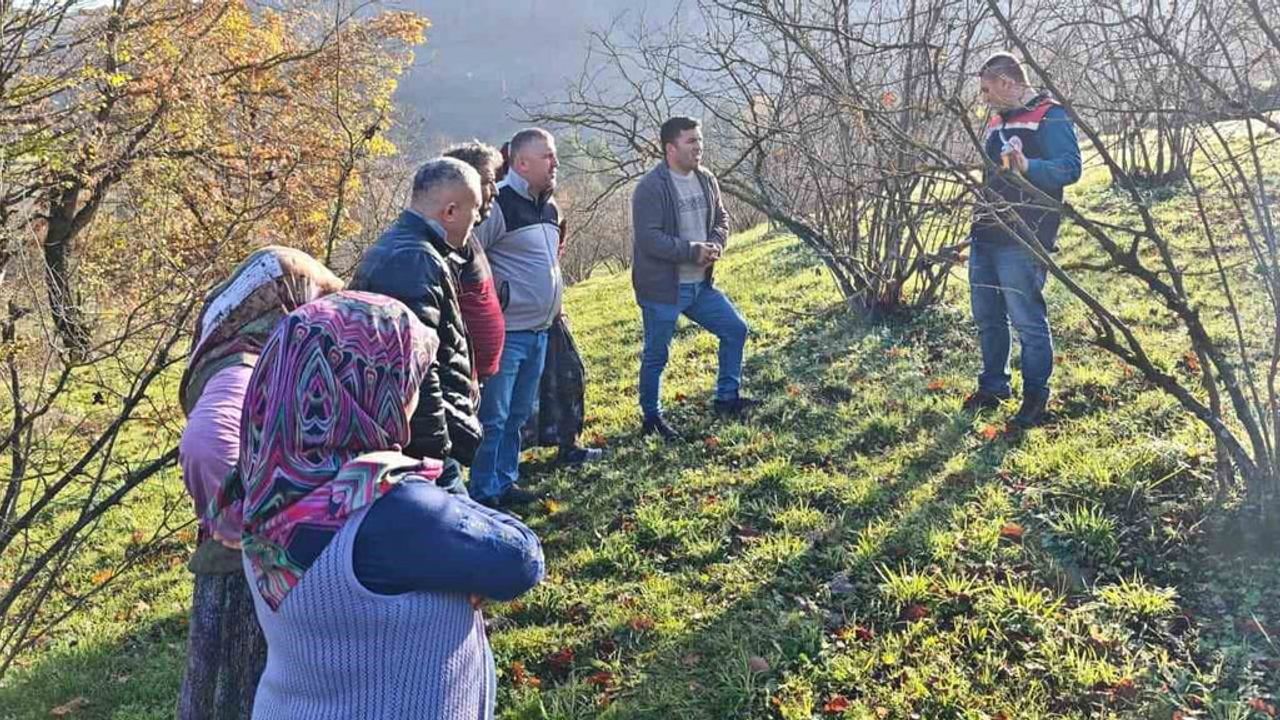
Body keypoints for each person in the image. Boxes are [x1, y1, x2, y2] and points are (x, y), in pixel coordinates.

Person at [229, 291, 544, 719]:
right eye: (408, 379)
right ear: (368, 387)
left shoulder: (265, 482)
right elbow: (520, 558)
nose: (413, 396)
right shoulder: (386, 508)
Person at [176, 245, 343, 720]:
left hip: (247, 562)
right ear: (286, 302)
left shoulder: (240, 347)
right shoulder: (244, 366)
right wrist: (254, 529)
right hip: (248, 573)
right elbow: (206, 447)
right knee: (241, 691)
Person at [349, 157, 484, 493]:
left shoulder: (409, 247)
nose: (479, 218)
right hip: (423, 453)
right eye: (475, 208)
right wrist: (437, 454)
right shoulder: (414, 260)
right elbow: (417, 371)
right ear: (450, 212)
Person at [963, 52, 1081, 429]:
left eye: (986, 89)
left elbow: (1070, 168)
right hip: (986, 233)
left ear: (1006, 82)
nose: (984, 98)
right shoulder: (998, 121)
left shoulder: (1051, 115)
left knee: (1027, 319)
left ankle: (1035, 397)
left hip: (1025, 236)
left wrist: (1029, 167)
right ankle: (994, 386)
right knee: (987, 315)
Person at [631, 116, 757, 441]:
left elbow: (721, 217)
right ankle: (651, 418)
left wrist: (716, 242)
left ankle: (727, 398)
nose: (699, 147)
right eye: (691, 141)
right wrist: (691, 250)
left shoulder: (706, 179)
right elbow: (649, 239)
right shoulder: (651, 188)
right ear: (670, 148)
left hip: (700, 286)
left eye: (699, 140)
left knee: (735, 329)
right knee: (657, 354)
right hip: (663, 289)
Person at [469, 128, 565, 507]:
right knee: (493, 418)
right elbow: (471, 257)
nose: (555, 162)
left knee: (518, 415)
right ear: (522, 163)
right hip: (508, 333)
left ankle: (505, 482)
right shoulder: (499, 205)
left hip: (541, 331)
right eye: (548, 156)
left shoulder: (550, 206)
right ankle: (482, 492)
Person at [443, 140, 506, 383]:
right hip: (458, 382)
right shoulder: (445, 245)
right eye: (488, 182)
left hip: (478, 379)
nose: (496, 190)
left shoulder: (467, 237)